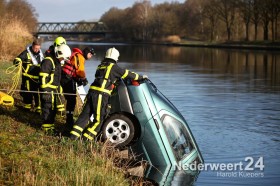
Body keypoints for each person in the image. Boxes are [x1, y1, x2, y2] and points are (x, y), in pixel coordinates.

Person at [69, 47, 148, 141]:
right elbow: (127, 74)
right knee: (99, 120)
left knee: (84, 117)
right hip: (100, 95)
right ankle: (85, 140)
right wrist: (140, 77)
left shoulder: (101, 66)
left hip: (91, 93)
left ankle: (72, 138)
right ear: (115, 58)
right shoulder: (114, 67)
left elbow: (106, 78)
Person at [61, 47, 95, 132]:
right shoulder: (80, 57)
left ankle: (69, 118)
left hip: (66, 77)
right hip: (66, 79)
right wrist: (83, 79)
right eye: (90, 54)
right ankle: (69, 120)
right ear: (87, 53)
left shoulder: (77, 55)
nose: (91, 56)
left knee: (71, 99)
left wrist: (77, 79)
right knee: (71, 100)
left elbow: (74, 70)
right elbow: (80, 71)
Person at [39, 44, 71, 134]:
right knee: (47, 108)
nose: (62, 60)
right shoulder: (48, 61)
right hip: (48, 90)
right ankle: (46, 128)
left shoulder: (56, 62)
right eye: (62, 58)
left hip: (53, 90)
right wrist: (45, 91)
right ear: (58, 54)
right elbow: (43, 77)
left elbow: (56, 78)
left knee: (52, 109)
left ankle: (50, 127)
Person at [13, 39, 44, 113]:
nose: (36, 50)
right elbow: (17, 59)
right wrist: (18, 61)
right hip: (28, 78)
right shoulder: (26, 53)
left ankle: (38, 108)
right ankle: (27, 107)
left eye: (38, 48)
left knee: (37, 93)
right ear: (32, 46)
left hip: (37, 78)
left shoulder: (41, 54)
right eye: (35, 48)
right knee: (27, 92)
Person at [45, 36, 67, 115]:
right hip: (52, 77)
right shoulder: (50, 53)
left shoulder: (59, 51)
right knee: (54, 94)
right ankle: (57, 110)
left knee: (59, 91)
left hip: (58, 75)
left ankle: (60, 110)